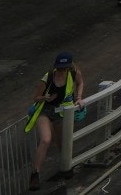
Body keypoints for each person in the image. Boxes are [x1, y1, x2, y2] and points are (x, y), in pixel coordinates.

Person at [28, 52, 82, 187]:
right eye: (60, 68)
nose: (62, 71)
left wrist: (79, 98)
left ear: (69, 67)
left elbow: (80, 83)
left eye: (64, 68)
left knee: (62, 142)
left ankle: (66, 167)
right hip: (45, 111)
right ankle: (35, 174)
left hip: (62, 112)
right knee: (46, 139)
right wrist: (45, 98)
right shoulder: (48, 77)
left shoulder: (74, 72)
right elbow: (36, 98)